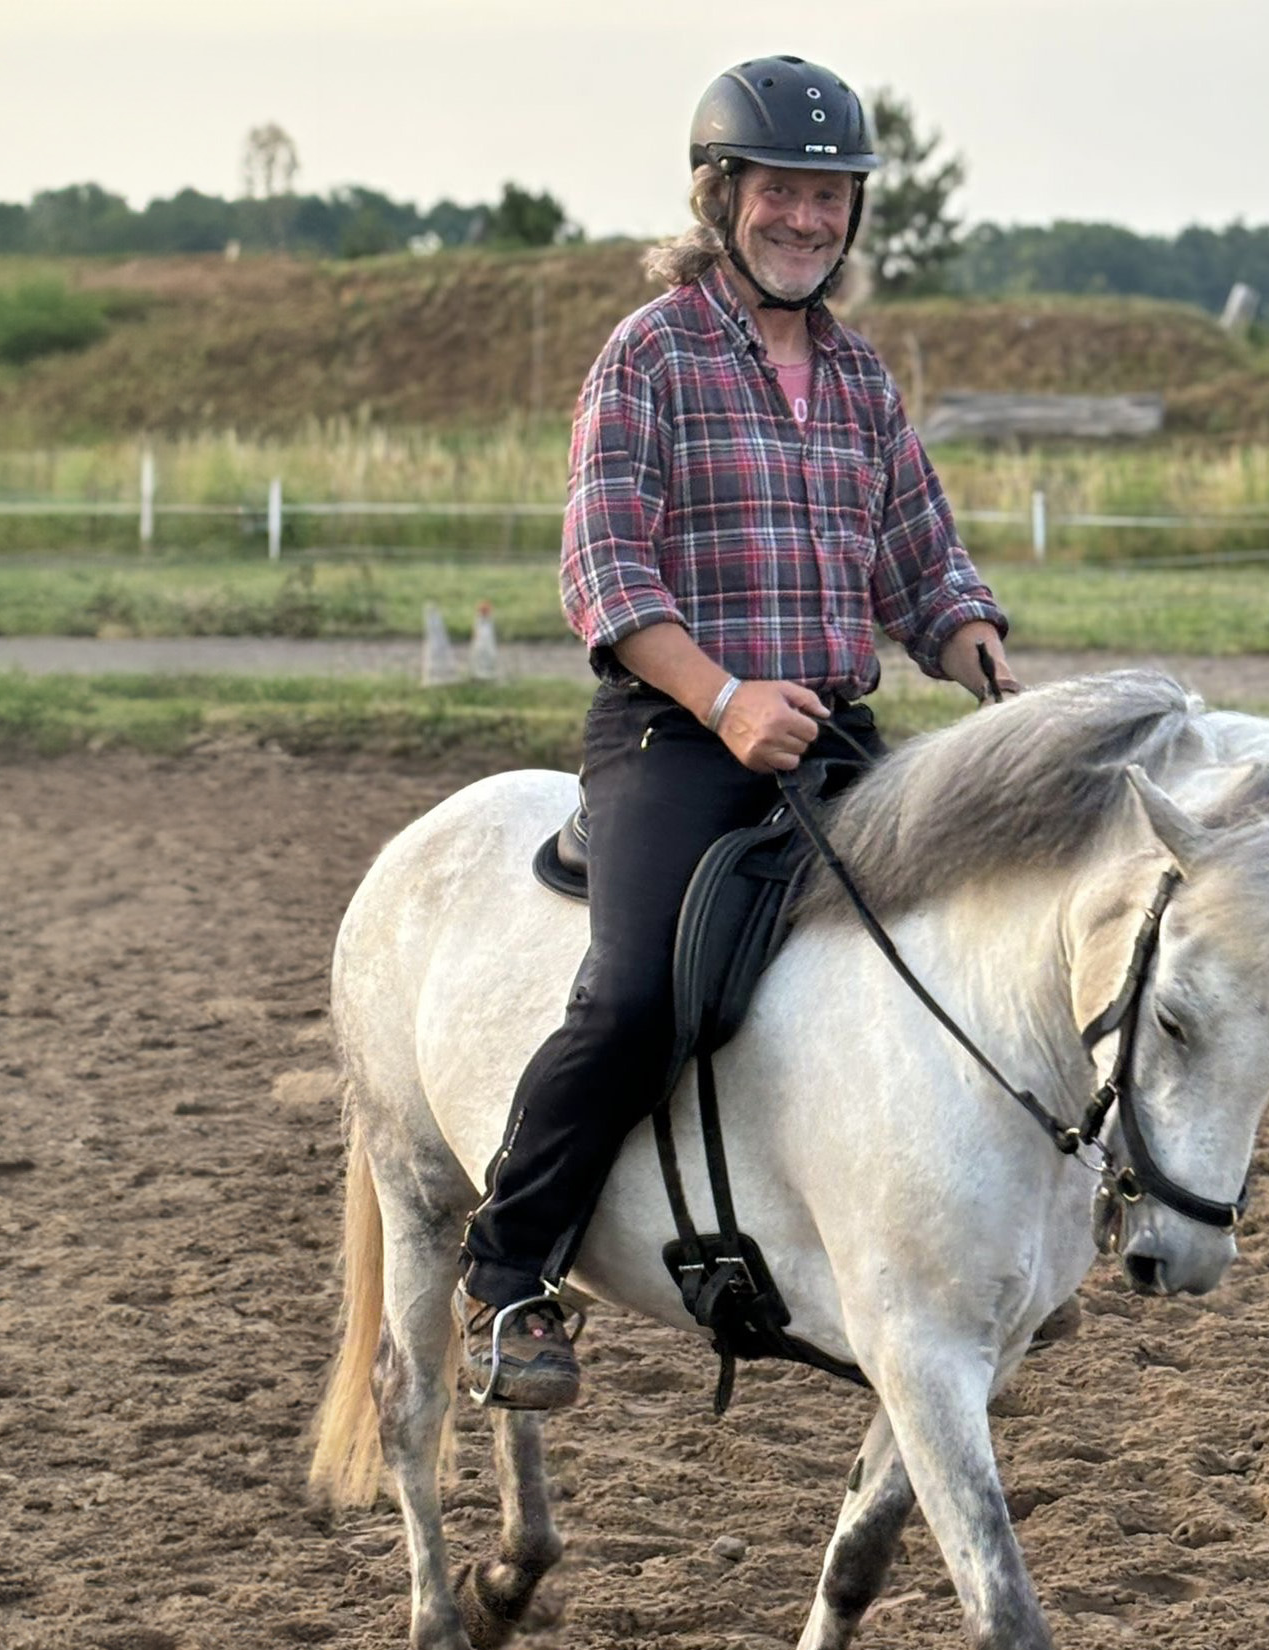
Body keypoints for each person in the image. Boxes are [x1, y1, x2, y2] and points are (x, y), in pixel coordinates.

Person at [456, 52, 1018, 1409]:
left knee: (976, 949)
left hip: (833, 736)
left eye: (830, 198)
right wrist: (721, 697)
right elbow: (606, 577)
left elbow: (919, 564)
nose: (807, 220)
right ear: (720, 198)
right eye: (781, 192)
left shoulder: (861, 376)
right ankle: (511, 1268)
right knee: (640, 991)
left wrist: (977, 652)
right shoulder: (648, 354)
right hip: (675, 738)